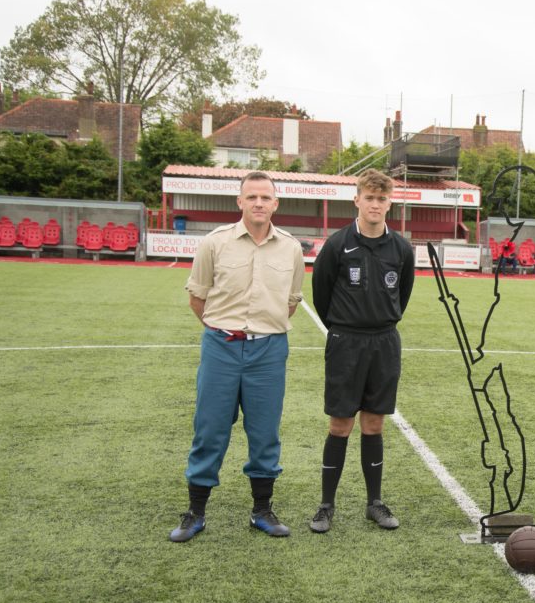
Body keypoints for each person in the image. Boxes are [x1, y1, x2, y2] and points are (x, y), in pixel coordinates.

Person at [170, 170, 306, 542]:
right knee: (210, 428)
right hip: (221, 348)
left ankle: (262, 509)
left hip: (269, 350)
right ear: (240, 202)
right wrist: (226, 330)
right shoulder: (215, 243)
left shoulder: (291, 248)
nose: (259, 203)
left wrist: (259, 330)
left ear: (276, 203)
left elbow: (291, 302)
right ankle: (195, 512)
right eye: (252, 197)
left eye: (266, 197)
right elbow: (197, 298)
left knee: (264, 432)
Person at [309, 169, 415, 533]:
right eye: (369, 197)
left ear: (389, 203)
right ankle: (326, 506)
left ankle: (375, 503)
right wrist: (344, 328)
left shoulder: (401, 248)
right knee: (341, 424)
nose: (375, 204)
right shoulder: (338, 245)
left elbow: (403, 294)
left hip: (384, 343)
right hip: (345, 343)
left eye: (381, 199)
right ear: (357, 200)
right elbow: (321, 295)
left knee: (374, 423)